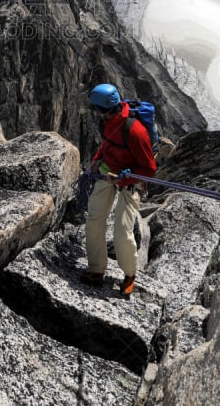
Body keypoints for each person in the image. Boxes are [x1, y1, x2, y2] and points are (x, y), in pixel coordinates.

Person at [81, 83, 157, 296]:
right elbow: (106, 144)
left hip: (129, 180)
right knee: (95, 219)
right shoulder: (108, 121)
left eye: (96, 108)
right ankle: (96, 270)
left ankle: (130, 275)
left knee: (122, 230)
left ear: (102, 109)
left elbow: (149, 169)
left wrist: (124, 179)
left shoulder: (135, 131)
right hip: (107, 172)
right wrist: (97, 160)